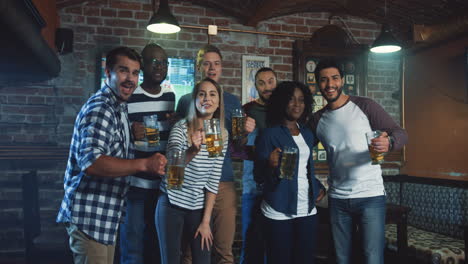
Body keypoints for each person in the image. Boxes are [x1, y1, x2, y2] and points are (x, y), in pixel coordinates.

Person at [56, 46, 167, 264]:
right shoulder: (102, 107)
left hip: (104, 217)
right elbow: (92, 162)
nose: (130, 79)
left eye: (135, 73)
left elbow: (109, 147)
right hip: (90, 216)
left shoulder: (118, 106)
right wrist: (144, 164)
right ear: (108, 72)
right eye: (124, 71)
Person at [308, 58, 408, 264]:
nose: (330, 84)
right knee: (341, 258)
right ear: (318, 84)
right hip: (337, 199)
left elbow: (401, 133)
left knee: (372, 258)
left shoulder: (365, 106)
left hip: (370, 196)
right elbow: (301, 152)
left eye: (334, 78)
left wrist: (389, 142)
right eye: (324, 80)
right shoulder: (317, 119)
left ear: (342, 80)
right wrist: (314, 183)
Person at [177, 44, 253, 264]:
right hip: (193, 183)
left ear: (221, 68)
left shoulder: (232, 101)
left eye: (216, 63)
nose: (212, 67)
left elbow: (239, 143)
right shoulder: (185, 101)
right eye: (207, 63)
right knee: (190, 251)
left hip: (223, 181)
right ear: (200, 67)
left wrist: (245, 131)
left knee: (224, 250)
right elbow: (180, 140)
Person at [155, 78, 228, 264]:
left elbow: (213, 178)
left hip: (198, 206)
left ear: (219, 101)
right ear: (194, 100)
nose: (207, 98)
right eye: (201, 94)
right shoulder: (181, 128)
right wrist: (192, 151)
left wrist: (206, 221)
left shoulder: (221, 134)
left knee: (203, 259)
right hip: (172, 203)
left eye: (212, 94)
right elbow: (171, 170)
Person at [254, 81, 326, 264]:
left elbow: (305, 168)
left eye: (301, 100)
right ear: (281, 102)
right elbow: (258, 177)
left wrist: (318, 186)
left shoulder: (307, 134)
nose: (297, 104)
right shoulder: (269, 134)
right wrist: (269, 164)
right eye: (291, 100)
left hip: (307, 209)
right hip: (279, 210)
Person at [120, 43, 175, 264]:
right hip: (135, 183)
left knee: (156, 242)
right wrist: (131, 131)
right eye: (155, 62)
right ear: (143, 65)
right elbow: (117, 134)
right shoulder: (130, 95)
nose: (160, 67)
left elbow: (171, 133)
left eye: (164, 62)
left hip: (161, 185)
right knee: (132, 244)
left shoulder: (171, 96)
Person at [240, 67, 277, 264]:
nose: (267, 87)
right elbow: (235, 148)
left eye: (270, 81)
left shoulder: (283, 112)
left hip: (277, 185)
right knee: (250, 239)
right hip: (252, 185)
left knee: (273, 242)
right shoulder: (246, 110)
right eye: (261, 83)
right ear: (255, 86)